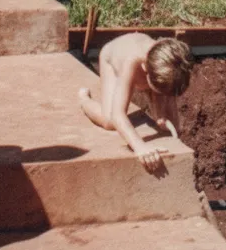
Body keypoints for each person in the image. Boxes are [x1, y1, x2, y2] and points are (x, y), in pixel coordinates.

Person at [77, 33, 195, 173]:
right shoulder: (132, 62)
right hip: (111, 59)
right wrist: (140, 147)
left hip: (152, 68)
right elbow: (117, 114)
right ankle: (84, 100)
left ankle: (160, 105)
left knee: (170, 124)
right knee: (108, 121)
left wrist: (163, 118)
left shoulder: (167, 58)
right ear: (146, 70)